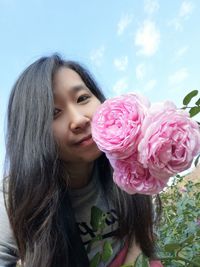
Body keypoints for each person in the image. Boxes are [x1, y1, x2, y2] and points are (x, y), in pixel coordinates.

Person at [0, 54, 162, 267]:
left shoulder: (130, 162)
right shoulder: (15, 195)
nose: (78, 119)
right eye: (53, 113)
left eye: (82, 98)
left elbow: (145, 232)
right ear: (31, 133)